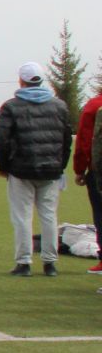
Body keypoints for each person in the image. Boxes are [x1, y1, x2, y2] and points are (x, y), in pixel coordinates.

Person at [0, 61, 72, 276]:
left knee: (22, 216)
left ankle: (24, 262)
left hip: (21, 169)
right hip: (51, 170)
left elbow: (1, 139)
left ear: (22, 81)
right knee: (49, 215)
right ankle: (50, 263)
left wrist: (3, 166)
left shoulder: (11, 106)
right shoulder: (59, 106)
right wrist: (61, 165)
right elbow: (66, 140)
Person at [75, 84, 102, 274]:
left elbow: (85, 140)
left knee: (100, 214)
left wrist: (80, 169)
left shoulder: (94, 106)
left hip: (98, 170)